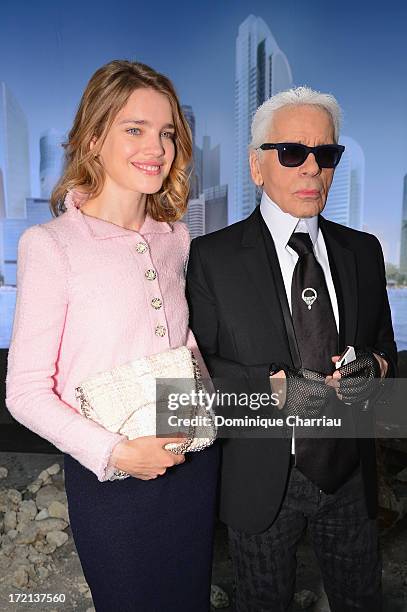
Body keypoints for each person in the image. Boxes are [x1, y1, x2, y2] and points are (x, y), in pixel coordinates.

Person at [6, 59, 219, 612]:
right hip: (112, 481)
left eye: (167, 132)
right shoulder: (50, 245)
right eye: (135, 129)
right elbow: (26, 392)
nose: (157, 147)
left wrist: (197, 417)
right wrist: (118, 453)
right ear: (94, 137)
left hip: (189, 466)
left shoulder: (176, 238)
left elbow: (182, 344)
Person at [186, 86, 397, 612]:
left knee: (362, 600)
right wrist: (272, 391)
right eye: (292, 152)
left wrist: (374, 369)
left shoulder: (364, 251)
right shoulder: (211, 257)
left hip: (350, 475)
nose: (311, 168)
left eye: (326, 154)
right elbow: (195, 373)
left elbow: (387, 350)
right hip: (261, 482)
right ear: (258, 167)